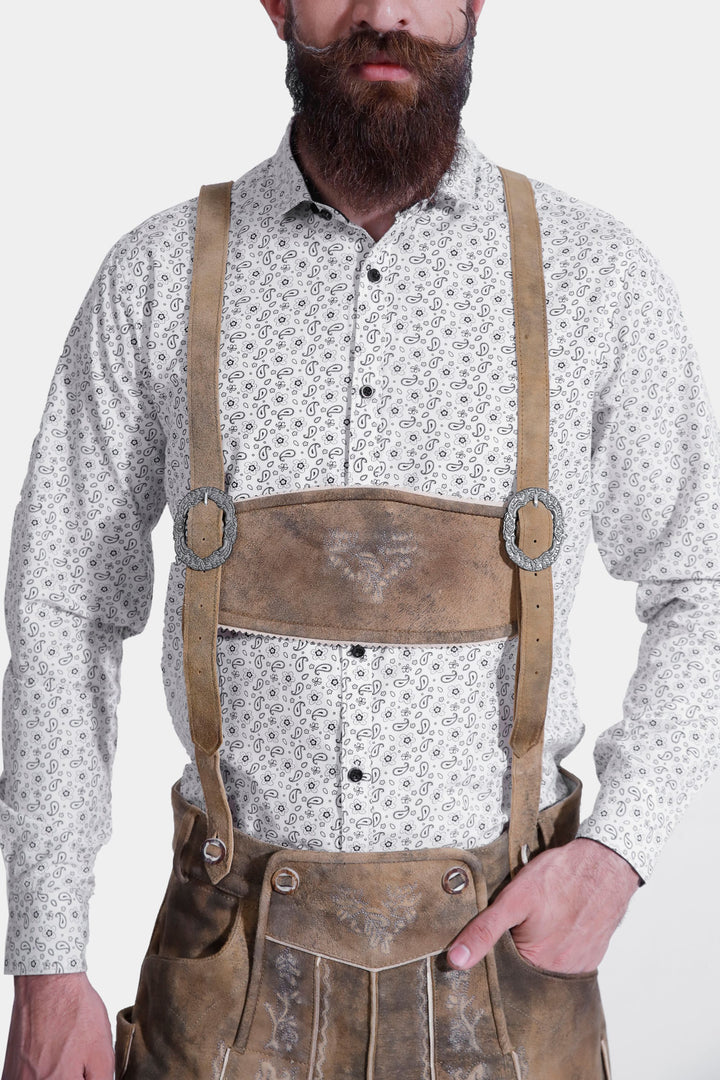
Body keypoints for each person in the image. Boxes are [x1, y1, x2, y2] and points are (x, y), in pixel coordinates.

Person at [1, 0, 718, 1077]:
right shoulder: (155, 277)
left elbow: (702, 577)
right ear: (278, 3)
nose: (385, 12)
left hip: (509, 996)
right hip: (222, 988)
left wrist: (617, 855)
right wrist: (48, 960)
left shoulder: (597, 276)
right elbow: (61, 604)